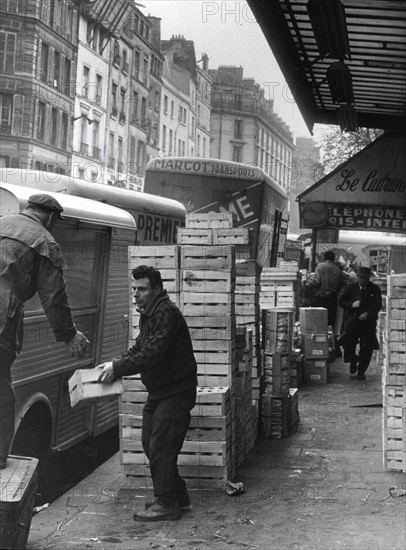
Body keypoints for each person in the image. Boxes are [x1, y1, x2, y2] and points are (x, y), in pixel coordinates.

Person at [97, 265, 197, 522]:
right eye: (134, 289)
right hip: (160, 392)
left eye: (142, 289)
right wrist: (114, 364)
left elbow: (153, 354)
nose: (136, 294)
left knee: (161, 446)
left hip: (176, 391)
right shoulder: (149, 314)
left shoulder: (166, 313)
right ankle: (178, 495)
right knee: (149, 443)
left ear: (157, 289)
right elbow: (139, 349)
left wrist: (118, 367)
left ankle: (166, 503)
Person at [0, 194, 90, 469]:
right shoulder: (44, 241)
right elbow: (54, 297)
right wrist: (69, 335)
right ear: (51, 217)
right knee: (2, 389)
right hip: (2, 315)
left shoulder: (2, 223)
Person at [338, 266, 382, 380]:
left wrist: (368, 313)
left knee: (367, 348)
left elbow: (378, 304)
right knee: (348, 345)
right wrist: (351, 305)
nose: (363, 280)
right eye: (361, 277)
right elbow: (341, 301)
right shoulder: (350, 288)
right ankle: (353, 359)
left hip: (367, 324)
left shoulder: (374, 289)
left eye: (366, 278)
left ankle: (361, 371)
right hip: (352, 323)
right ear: (357, 277)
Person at [309, 250, 344, 329]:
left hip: (321, 296)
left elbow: (317, 281)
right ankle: (330, 339)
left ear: (324, 257)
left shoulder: (320, 266)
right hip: (333, 297)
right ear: (334, 259)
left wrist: (309, 284)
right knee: (330, 320)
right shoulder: (338, 269)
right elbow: (340, 285)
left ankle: (319, 338)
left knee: (320, 319)